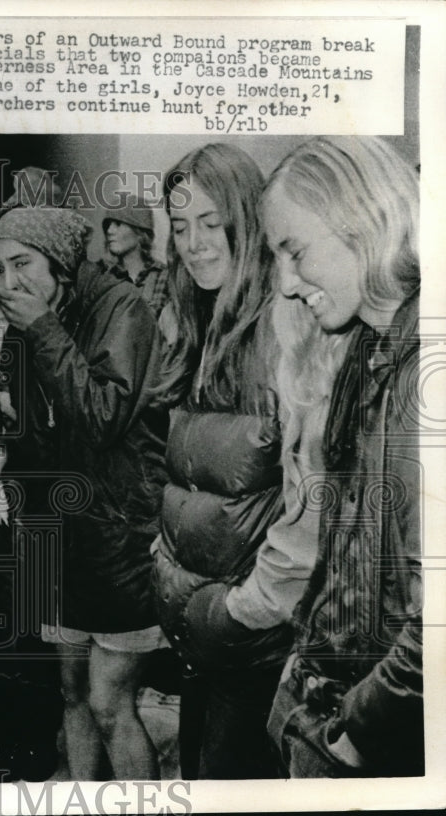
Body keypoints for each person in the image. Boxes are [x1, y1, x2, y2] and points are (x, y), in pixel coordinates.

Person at [261, 136, 422, 777]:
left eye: (295, 251)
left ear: (361, 220)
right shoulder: (369, 347)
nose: (284, 283)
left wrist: (358, 727)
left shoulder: (422, 369)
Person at [0, 206, 168, 781]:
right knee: (71, 692)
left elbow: (101, 416)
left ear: (59, 261)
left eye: (22, 263)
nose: (9, 281)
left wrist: (42, 330)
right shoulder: (27, 324)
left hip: (117, 539)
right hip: (58, 540)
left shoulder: (123, 308)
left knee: (109, 702)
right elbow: (30, 436)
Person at [149, 143, 294, 779]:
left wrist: (250, 606)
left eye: (211, 223)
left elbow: (318, 493)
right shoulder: (194, 322)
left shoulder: (286, 327)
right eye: (180, 226)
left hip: (254, 639)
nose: (193, 244)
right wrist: (167, 554)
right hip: (200, 622)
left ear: (247, 221)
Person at [101, 196, 170, 321]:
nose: (109, 231)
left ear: (140, 233)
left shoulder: (164, 277)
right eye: (108, 225)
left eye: (118, 224)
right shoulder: (103, 278)